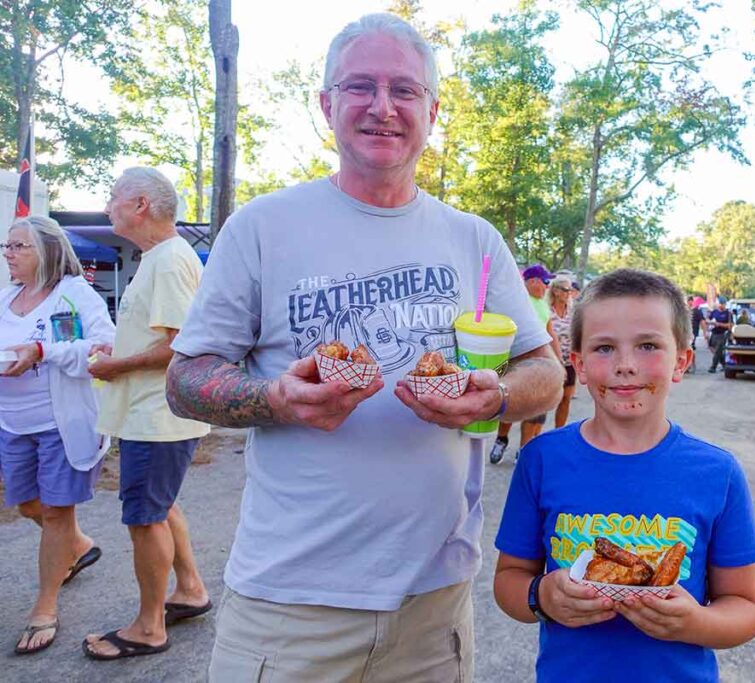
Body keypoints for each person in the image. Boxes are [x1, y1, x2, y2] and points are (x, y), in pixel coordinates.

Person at [163, 13, 563, 680]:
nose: (384, 107)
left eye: (405, 90)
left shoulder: (474, 240)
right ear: (326, 105)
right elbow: (185, 379)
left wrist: (500, 394)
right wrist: (276, 397)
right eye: (360, 87)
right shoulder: (263, 226)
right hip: (291, 605)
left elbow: (545, 370)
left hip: (434, 602)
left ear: (432, 110)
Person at [493, 268, 755, 682]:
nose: (625, 365)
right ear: (578, 365)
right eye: (604, 349)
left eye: (648, 345)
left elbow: (743, 608)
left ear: (682, 361)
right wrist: (542, 597)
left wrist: (693, 623)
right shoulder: (542, 460)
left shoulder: (716, 473)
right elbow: (509, 580)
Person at [82, 167, 212, 661]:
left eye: (113, 196)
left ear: (140, 205)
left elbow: (181, 344)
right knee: (161, 506)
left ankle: (149, 627)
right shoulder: (160, 258)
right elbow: (160, 335)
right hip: (153, 414)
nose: (107, 205)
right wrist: (116, 346)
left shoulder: (170, 260)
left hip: (155, 415)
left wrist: (118, 364)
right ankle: (190, 590)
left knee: (145, 517)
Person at [1, 216, 114, 655]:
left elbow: (105, 347)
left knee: (54, 513)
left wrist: (45, 351)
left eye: (17, 246)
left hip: (58, 423)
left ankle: (44, 607)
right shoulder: (8, 296)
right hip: (12, 422)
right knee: (27, 503)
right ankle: (80, 547)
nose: (8, 253)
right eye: (6, 246)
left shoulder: (75, 294)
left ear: (46, 250)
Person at [490, 263, 562, 464]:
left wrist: (558, 361)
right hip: (516, 359)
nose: (548, 286)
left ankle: (524, 448)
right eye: (545, 282)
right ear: (532, 282)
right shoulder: (519, 301)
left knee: (537, 408)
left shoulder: (544, 305)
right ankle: (501, 439)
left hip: (538, 362)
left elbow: (550, 332)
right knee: (510, 401)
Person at [548, 275, 575, 428]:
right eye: (565, 290)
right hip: (550, 360)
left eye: (570, 290)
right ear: (556, 291)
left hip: (569, 361)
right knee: (544, 399)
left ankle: (559, 431)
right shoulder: (547, 311)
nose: (568, 293)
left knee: (566, 398)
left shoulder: (572, 312)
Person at [707, 299, 732, 373]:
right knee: (715, 350)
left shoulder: (728, 313)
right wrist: (710, 322)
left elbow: (730, 325)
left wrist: (719, 324)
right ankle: (724, 364)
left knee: (718, 350)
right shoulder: (714, 312)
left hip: (722, 334)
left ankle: (713, 367)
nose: (721, 305)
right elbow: (707, 319)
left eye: (723, 304)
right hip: (714, 333)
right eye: (720, 304)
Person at [685, 296, 704, 374]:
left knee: (691, 349)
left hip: (692, 333)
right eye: (688, 301)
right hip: (685, 333)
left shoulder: (696, 311)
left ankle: (692, 364)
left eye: (691, 301)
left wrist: (705, 332)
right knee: (685, 349)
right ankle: (687, 366)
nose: (690, 302)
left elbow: (702, 321)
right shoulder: (684, 311)